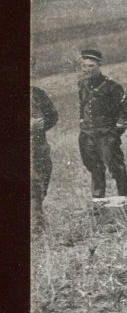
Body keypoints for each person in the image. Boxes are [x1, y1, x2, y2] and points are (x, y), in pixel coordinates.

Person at [77, 49, 127, 201]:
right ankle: (98, 203)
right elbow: (82, 106)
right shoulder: (82, 85)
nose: (87, 69)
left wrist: (115, 133)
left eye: (91, 66)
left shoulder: (112, 87)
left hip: (106, 135)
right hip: (88, 135)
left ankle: (126, 200)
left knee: (116, 169)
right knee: (95, 168)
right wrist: (82, 122)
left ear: (99, 65)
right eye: (84, 66)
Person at [31, 86, 58, 234]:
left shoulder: (37, 93)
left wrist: (41, 124)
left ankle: (36, 219)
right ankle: (37, 227)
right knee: (33, 185)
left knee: (42, 181)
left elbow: (53, 116)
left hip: (40, 146)